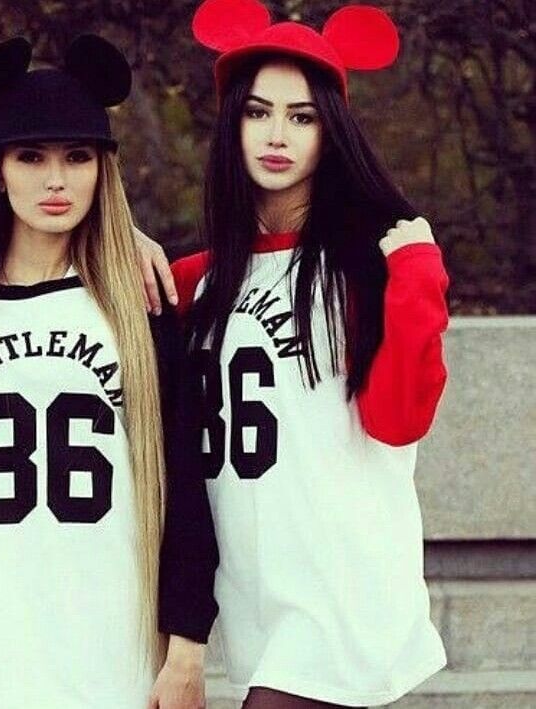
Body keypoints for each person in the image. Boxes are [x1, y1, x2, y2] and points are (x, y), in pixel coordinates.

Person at [0, 35, 217, 709]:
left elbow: (184, 482)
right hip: (3, 635)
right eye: (30, 156)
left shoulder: (140, 302)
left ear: (102, 170)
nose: (56, 180)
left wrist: (187, 650)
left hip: (120, 639)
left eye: (77, 156)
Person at [156, 1, 451, 707]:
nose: (276, 135)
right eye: (258, 113)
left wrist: (418, 274)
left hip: (340, 593)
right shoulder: (199, 283)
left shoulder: (368, 269)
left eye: (302, 116)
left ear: (331, 131)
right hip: (255, 595)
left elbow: (399, 420)